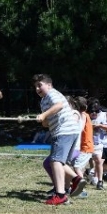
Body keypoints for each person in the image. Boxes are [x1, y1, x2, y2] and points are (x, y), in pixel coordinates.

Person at [33, 74, 81, 206]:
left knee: (55, 161)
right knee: (60, 162)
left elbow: (59, 105)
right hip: (68, 131)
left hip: (64, 131)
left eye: (40, 85)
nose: (37, 88)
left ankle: (60, 195)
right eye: (35, 86)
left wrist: (43, 114)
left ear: (49, 85)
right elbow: (46, 123)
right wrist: (43, 119)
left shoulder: (52, 94)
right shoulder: (44, 101)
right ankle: (76, 179)